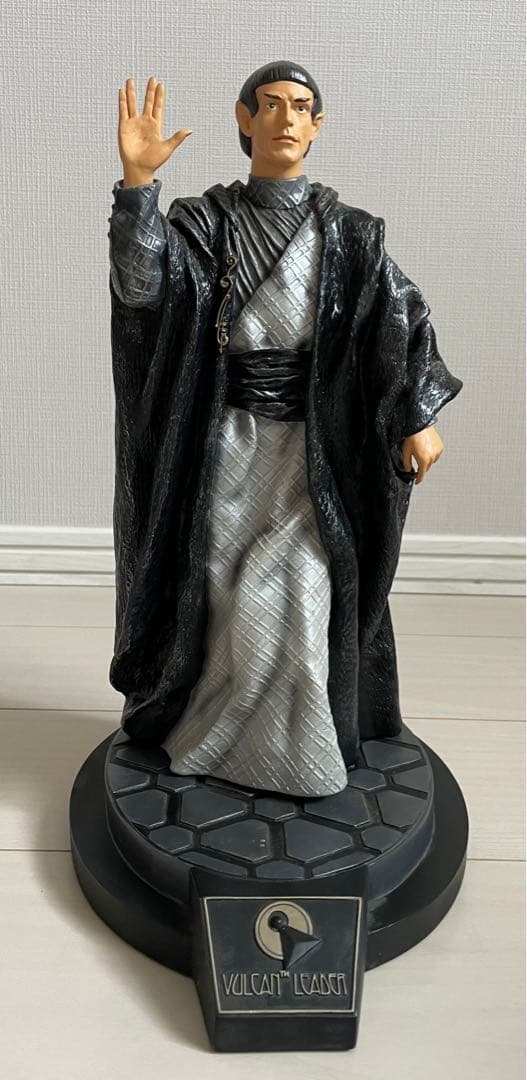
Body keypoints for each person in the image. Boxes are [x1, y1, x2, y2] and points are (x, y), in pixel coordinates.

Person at [107, 61, 462, 797]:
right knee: (219, 599)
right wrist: (139, 185)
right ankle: (210, 738)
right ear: (245, 119)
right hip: (225, 449)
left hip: (312, 453)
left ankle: (302, 760)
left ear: (318, 124)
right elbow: (143, 288)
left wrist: (415, 412)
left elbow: (400, 319)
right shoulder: (205, 225)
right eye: (269, 105)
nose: (286, 119)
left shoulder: (351, 235)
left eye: (301, 106)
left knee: (299, 589)